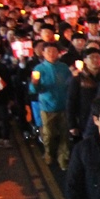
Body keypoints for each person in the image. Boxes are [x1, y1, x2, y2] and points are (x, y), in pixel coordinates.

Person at [31, 41, 73, 169]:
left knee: (65, 134)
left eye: (54, 51)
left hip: (64, 106)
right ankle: (49, 153)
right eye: (48, 51)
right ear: (43, 53)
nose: (52, 54)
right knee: (49, 134)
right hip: (47, 107)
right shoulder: (39, 69)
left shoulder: (64, 67)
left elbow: (70, 84)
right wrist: (35, 83)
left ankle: (63, 159)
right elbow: (33, 91)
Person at [67, 47, 100, 139]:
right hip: (85, 117)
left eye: (98, 57)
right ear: (85, 60)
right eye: (92, 57)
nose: (95, 60)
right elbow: (71, 101)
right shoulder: (78, 78)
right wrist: (72, 124)